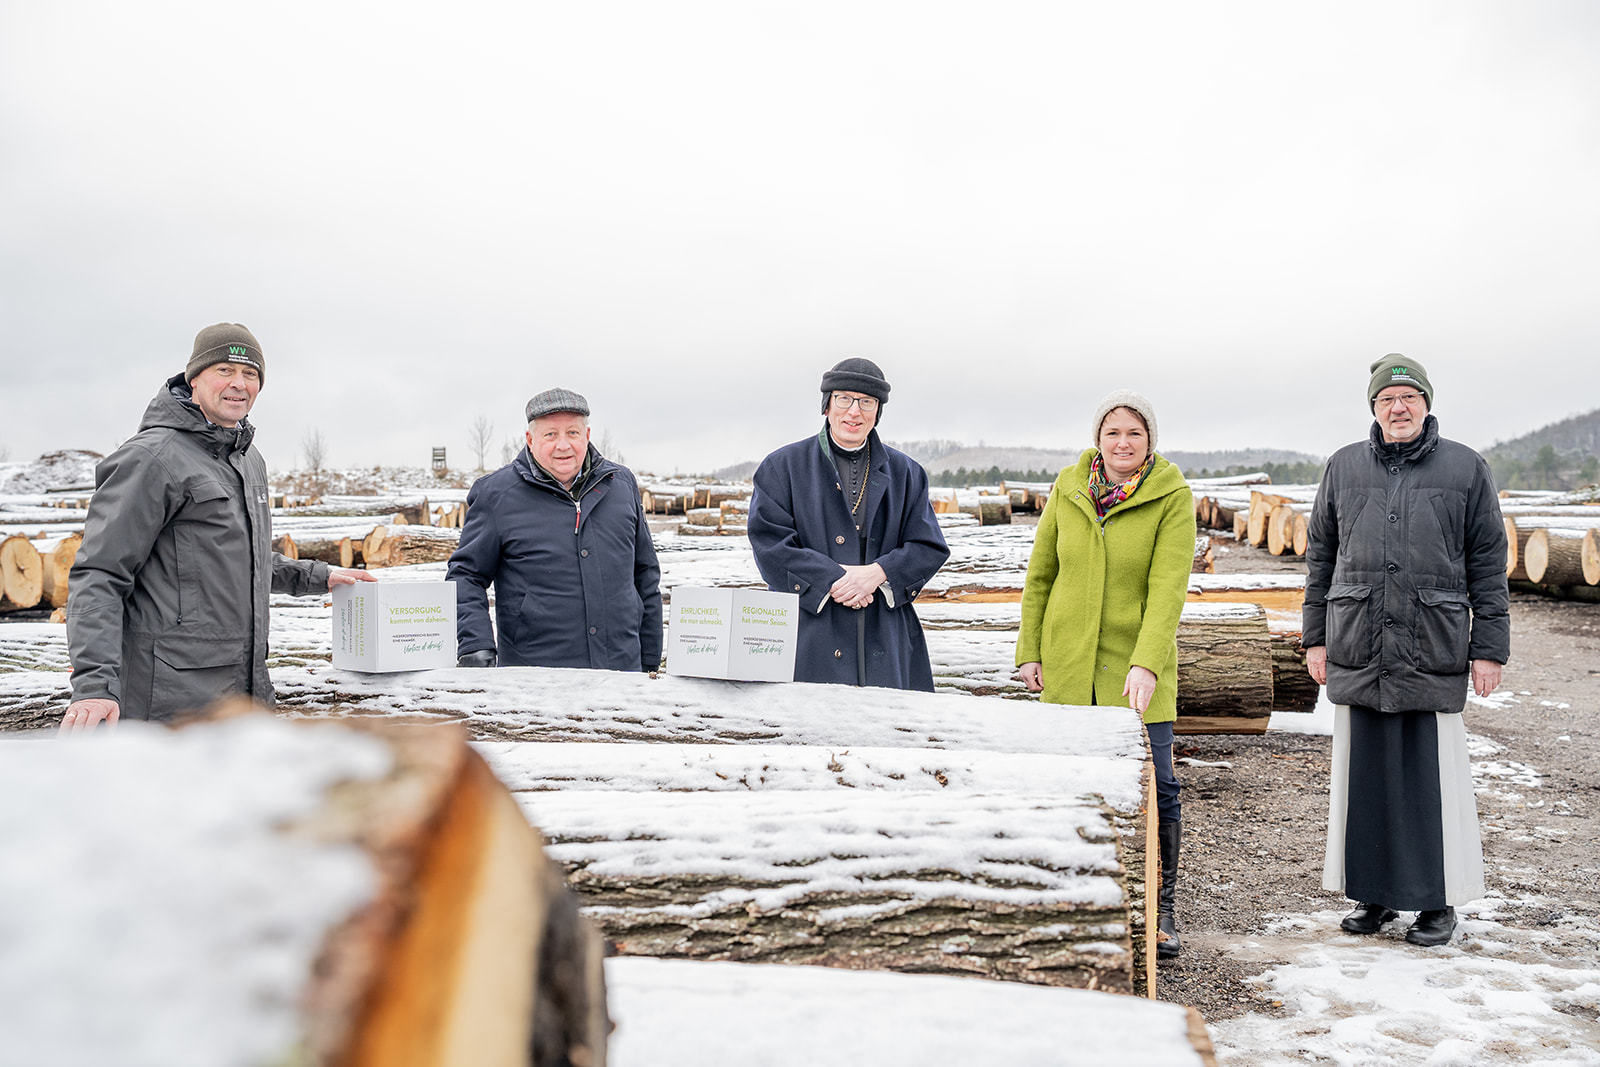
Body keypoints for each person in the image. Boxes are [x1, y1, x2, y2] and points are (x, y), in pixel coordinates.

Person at [61, 323, 374, 732]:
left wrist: (322, 575)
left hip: (243, 691)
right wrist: (94, 684)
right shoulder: (151, 459)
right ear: (194, 379)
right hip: (168, 699)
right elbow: (100, 573)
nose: (238, 384)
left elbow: (241, 557)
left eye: (250, 374)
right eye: (224, 370)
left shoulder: (248, 459)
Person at [1303, 356, 1508, 948]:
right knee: (1363, 778)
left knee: (1429, 780)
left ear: (1426, 404)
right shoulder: (1342, 467)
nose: (1399, 408)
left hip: (1431, 643)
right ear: (1373, 407)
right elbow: (1321, 557)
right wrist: (1315, 636)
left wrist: (1488, 648)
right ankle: (1372, 896)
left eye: (1409, 397)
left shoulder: (1466, 468)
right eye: (1387, 398)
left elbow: (1488, 565)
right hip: (1358, 639)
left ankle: (1434, 902)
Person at [1015, 390, 1195, 958]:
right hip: (1067, 665)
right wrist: (1030, 649)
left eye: (1134, 434)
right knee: (1068, 783)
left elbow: (1168, 591)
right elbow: (1040, 576)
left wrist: (1146, 661)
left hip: (1136, 671)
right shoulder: (1067, 491)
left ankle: (1158, 908)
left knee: (1157, 786)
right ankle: (1074, 896)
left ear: (1150, 442)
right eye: (1113, 432)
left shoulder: (1172, 496)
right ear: (1098, 438)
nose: (1123, 443)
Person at [747, 358, 949, 690]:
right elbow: (770, 544)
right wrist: (835, 580)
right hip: (808, 635)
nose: (854, 412)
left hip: (886, 635)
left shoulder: (907, 473)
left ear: (877, 412)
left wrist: (877, 574)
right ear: (827, 405)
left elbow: (928, 546)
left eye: (866, 402)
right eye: (844, 398)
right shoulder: (782, 467)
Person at [448, 387, 662, 672]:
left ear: (586, 436)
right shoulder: (496, 495)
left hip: (621, 670)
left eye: (572, 433)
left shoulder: (620, 484)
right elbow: (466, 575)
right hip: (535, 679)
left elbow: (645, 573)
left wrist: (649, 656)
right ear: (530, 439)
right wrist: (476, 644)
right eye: (550, 434)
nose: (563, 445)